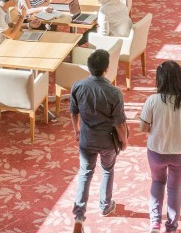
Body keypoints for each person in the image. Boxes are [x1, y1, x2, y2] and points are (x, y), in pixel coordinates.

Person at [140, 60, 181, 233]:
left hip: (157, 151)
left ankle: (155, 223)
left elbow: (143, 127)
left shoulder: (152, 100)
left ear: (159, 80)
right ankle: (171, 227)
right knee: (175, 189)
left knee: (157, 182)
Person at [70, 49, 128, 233]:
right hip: (108, 141)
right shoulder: (114, 92)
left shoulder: (78, 86)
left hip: (87, 139)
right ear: (106, 68)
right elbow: (119, 123)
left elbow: (73, 112)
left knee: (85, 173)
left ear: (89, 68)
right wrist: (124, 140)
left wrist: (76, 129)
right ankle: (105, 205)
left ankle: (79, 215)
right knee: (107, 170)